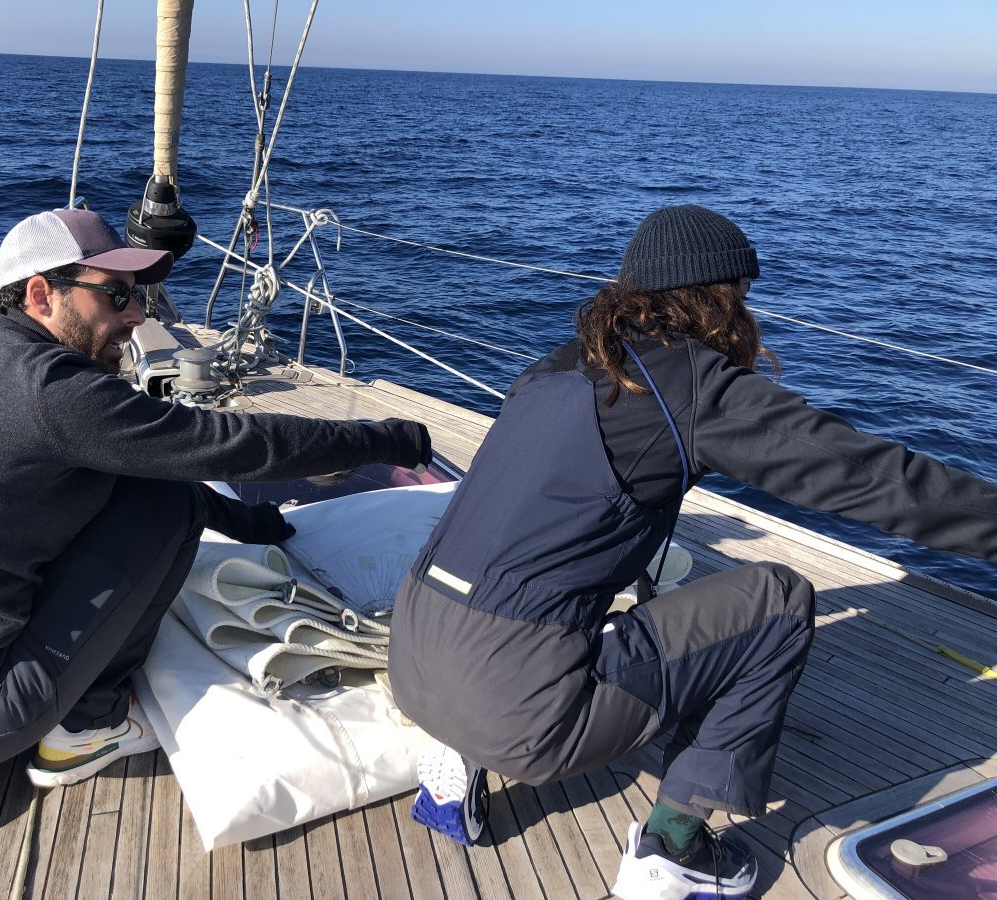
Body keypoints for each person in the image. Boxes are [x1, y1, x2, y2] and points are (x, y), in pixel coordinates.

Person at [388, 204, 997, 898]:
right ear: (720, 302)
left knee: (519, 569)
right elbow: (875, 479)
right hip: (515, 708)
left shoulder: (551, 370)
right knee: (778, 597)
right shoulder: (694, 389)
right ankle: (673, 848)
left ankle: (451, 766)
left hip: (412, 654)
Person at [0, 207, 433, 846]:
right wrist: (384, 438)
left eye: (136, 295)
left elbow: (147, 466)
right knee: (166, 506)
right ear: (40, 295)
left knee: (146, 484)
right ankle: (83, 730)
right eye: (116, 295)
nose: (139, 315)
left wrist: (246, 522)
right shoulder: (49, 393)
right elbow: (230, 443)